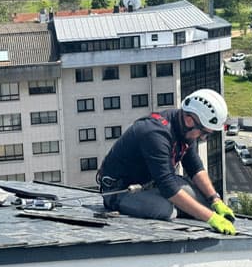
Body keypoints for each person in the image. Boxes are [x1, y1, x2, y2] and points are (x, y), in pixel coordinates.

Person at [97, 89, 236, 235]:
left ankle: (188, 206)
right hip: (120, 191)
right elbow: (168, 187)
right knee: (165, 210)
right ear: (190, 120)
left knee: (206, 204)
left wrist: (215, 200)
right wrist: (211, 218)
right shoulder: (155, 134)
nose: (203, 138)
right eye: (204, 133)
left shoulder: (185, 130)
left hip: (151, 184)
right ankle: (120, 203)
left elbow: (195, 168)